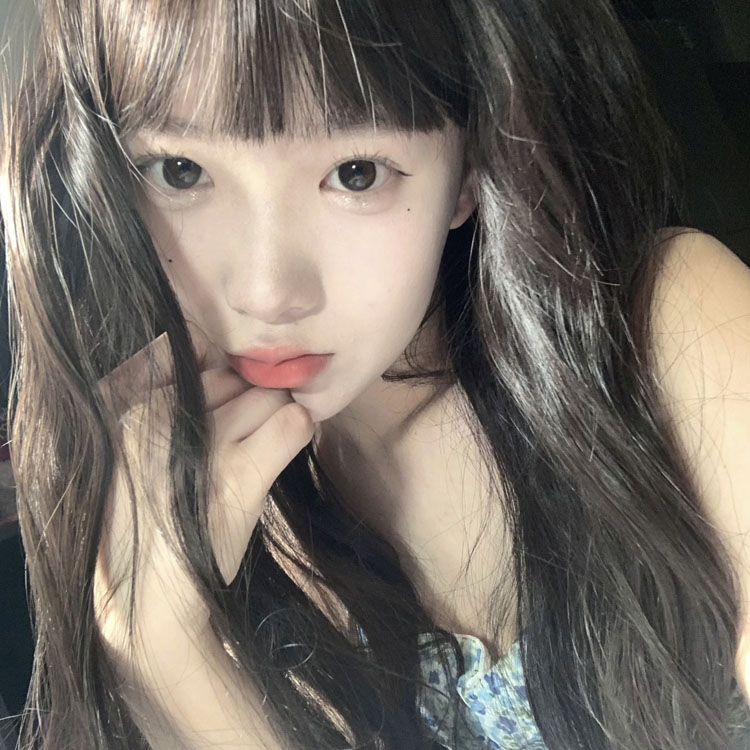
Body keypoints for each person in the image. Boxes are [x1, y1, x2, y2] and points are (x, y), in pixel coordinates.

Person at [1, 0, 749, 748]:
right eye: (181, 170)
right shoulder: (206, 509)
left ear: (469, 170)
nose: (266, 292)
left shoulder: (665, 336)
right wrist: (163, 656)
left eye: (356, 174)